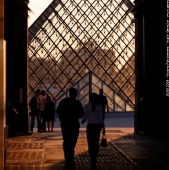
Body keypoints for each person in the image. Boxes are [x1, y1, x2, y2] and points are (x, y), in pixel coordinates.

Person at [56, 87, 84, 166]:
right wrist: (74, 114)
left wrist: (64, 115)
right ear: (76, 94)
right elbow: (82, 114)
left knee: (66, 141)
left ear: (69, 93)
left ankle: (67, 157)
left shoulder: (63, 101)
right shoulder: (77, 103)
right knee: (73, 141)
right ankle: (70, 157)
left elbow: (57, 111)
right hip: (74, 125)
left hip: (65, 125)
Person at [81, 93, 104, 168]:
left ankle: (92, 158)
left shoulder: (87, 107)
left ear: (90, 99)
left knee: (90, 142)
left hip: (90, 126)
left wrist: (83, 120)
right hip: (97, 126)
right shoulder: (100, 107)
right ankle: (95, 156)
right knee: (96, 141)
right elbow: (101, 118)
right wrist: (103, 126)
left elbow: (86, 116)